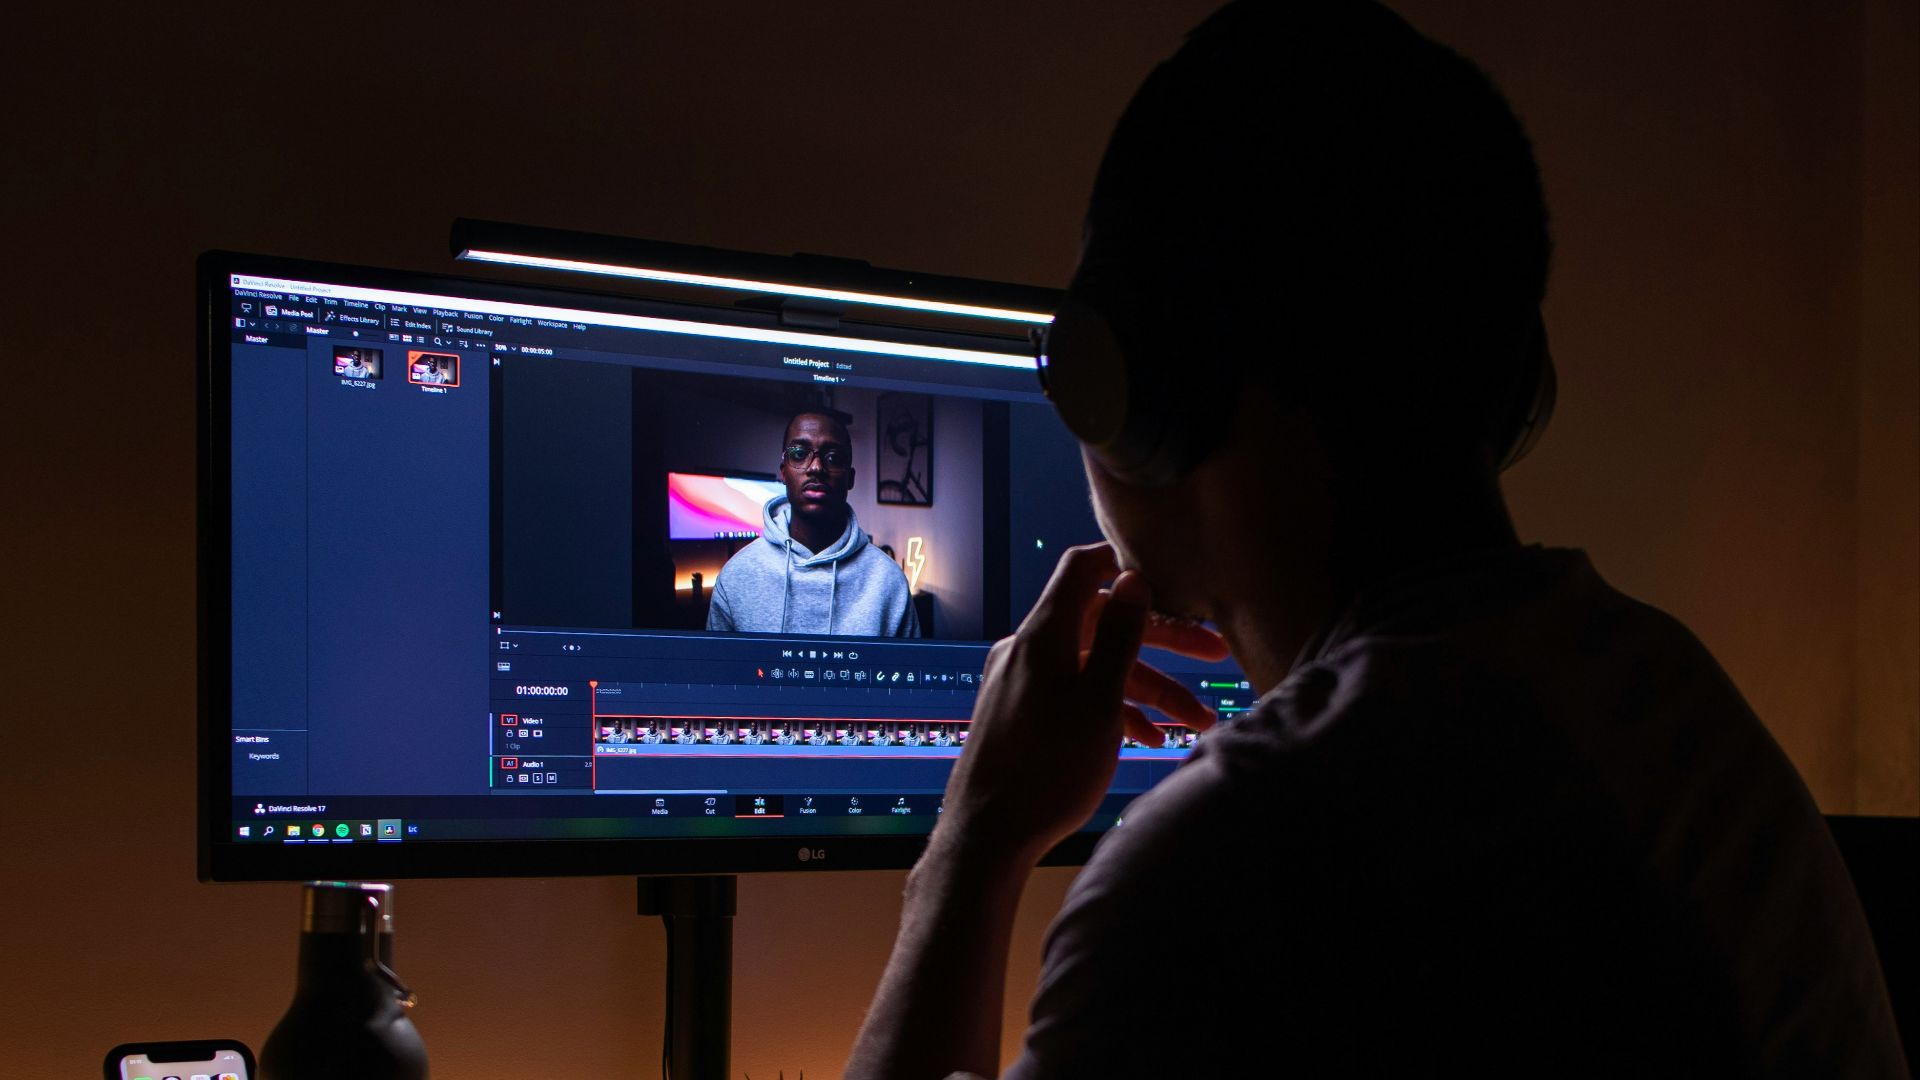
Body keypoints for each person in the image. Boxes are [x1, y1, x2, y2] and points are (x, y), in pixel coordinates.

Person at [846, 3, 1906, 1077]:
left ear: (1143, 391)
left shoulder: (1230, 874)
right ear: (1510, 385)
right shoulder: (1680, 716)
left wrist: (971, 848)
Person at [707, 409, 920, 637]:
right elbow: (717, 670)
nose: (816, 468)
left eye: (833, 458)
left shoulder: (889, 581)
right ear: (783, 473)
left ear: (850, 478)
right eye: (799, 453)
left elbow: (908, 670)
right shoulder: (736, 576)